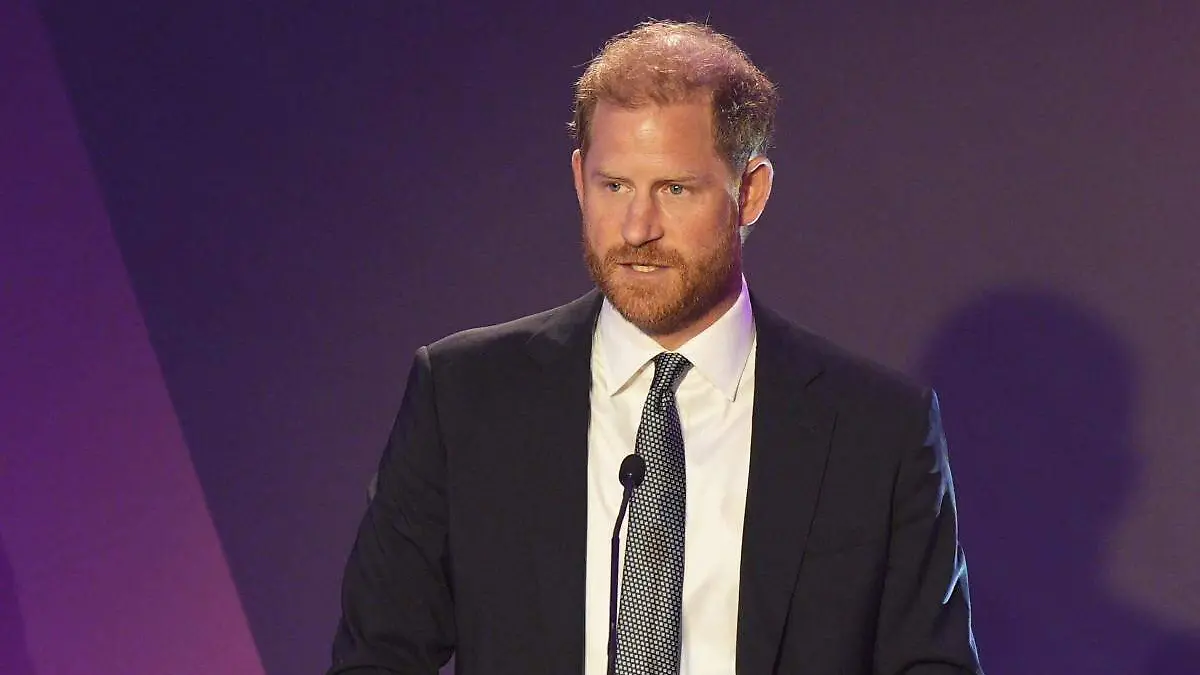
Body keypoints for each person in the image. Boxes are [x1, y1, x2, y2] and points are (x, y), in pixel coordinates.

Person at [328, 20, 982, 675]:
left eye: (675, 189)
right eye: (614, 186)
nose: (637, 228)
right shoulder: (463, 397)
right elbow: (376, 658)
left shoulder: (878, 431)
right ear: (579, 177)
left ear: (749, 192)